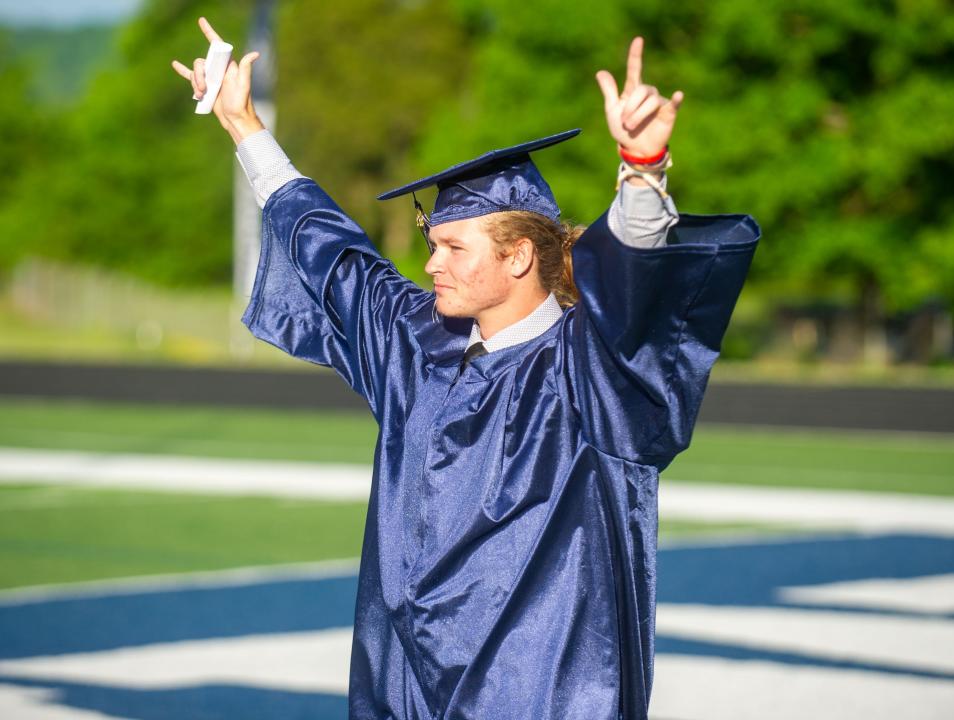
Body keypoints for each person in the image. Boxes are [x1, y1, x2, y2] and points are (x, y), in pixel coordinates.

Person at [173, 17, 759, 720]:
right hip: (404, 691)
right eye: (433, 243)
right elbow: (332, 256)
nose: (430, 264)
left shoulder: (591, 374)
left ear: (517, 257)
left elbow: (635, 290)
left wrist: (642, 170)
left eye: (454, 247)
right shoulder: (417, 348)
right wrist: (244, 127)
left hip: (538, 694)